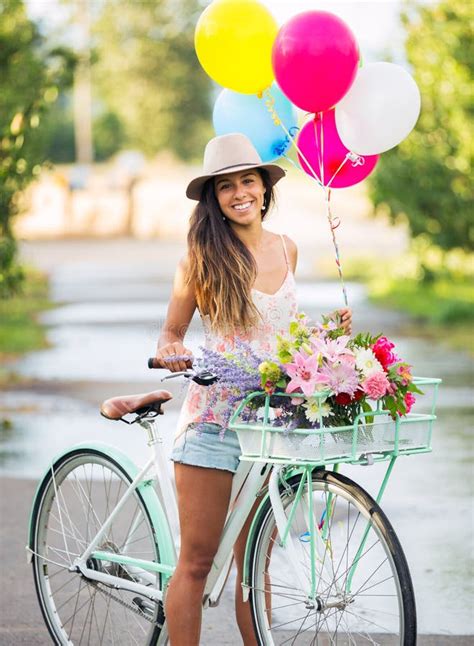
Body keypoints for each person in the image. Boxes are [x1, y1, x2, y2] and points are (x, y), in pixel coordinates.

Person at [153, 133, 352, 645]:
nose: (239, 192)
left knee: (252, 568)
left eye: (248, 180)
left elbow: (285, 335)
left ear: (265, 188)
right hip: (214, 423)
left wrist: (329, 337)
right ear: (214, 199)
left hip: (269, 424)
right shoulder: (200, 258)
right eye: (226, 186)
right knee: (196, 565)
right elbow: (172, 332)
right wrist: (173, 349)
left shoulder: (287, 248)